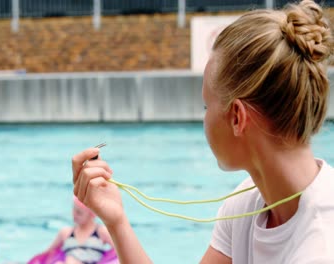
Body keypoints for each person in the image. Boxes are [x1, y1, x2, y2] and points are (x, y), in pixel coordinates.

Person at [71, 1, 334, 263]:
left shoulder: (320, 247)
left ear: (237, 117)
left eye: (206, 106)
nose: (204, 119)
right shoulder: (249, 203)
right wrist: (116, 220)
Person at [31, 196, 115, 264]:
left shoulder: (101, 232)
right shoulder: (66, 233)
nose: (74, 214)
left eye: (79, 212)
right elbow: (47, 254)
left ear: (91, 214)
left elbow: (120, 251)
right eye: (73, 210)